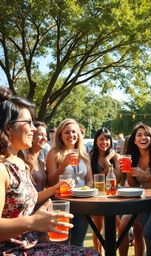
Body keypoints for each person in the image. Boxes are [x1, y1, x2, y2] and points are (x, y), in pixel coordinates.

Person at [0, 87, 98, 255]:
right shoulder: (2, 168)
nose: (33, 129)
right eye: (28, 123)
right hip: (12, 250)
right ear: (8, 129)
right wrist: (32, 222)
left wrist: (55, 189)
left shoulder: (20, 163)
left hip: (30, 245)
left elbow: (24, 198)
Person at [119, 123, 151, 256]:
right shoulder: (133, 158)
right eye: (139, 135)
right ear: (134, 140)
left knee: (148, 233)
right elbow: (135, 187)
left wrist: (146, 175)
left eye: (146, 135)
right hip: (145, 202)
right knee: (147, 238)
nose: (143, 138)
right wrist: (128, 173)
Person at [46, 118, 93, 247]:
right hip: (62, 204)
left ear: (78, 134)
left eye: (74, 132)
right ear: (60, 135)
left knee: (78, 243)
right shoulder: (53, 153)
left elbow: (89, 179)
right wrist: (62, 167)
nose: (71, 135)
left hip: (82, 204)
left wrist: (84, 191)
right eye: (67, 132)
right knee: (61, 244)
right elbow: (50, 182)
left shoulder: (84, 152)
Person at [90, 128, 121, 255]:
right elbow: (92, 180)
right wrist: (107, 166)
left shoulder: (116, 157)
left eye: (107, 139)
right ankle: (100, 253)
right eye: (101, 139)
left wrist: (109, 161)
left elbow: (118, 178)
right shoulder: (90, 157)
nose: (104, 142)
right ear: (96, 141)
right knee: (98, 228)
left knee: (119, 226)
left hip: (112, 195)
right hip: (97, 196)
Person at [23, 121, 49, 241]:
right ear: (31, 136)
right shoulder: (23, 161)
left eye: (45, 135)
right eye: (40, 134)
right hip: (29, 216)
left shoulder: (41, 161)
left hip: (42, 213)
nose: (44, 138)